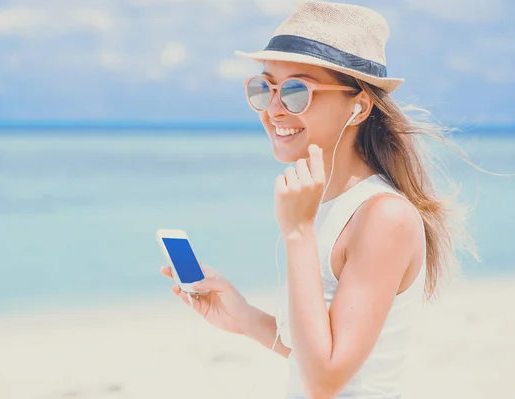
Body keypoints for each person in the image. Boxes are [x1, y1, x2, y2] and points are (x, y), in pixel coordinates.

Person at [160, 1, 476, 398]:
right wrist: (243, 317)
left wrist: (297, 232)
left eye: (296, 91)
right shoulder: (330, 203)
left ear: (358, 106)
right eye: (264, 88)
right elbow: (317, 355)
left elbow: (325, 381)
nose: (274, 109)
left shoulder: (384, 216)